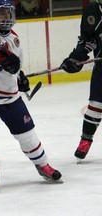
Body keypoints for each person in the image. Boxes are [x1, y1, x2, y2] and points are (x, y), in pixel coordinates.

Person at [0, 0, 62, 192]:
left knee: (27, 135)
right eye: (1, 13)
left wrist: (19, 80)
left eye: (8, 13)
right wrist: (2, 58)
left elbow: (14, 68)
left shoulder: (15, 41)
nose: (6, 17)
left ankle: (43, 164)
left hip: (6, 95)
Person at [60, 0, 102, 161]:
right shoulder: (93, 10)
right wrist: (76, 57)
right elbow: (88, 40)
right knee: (96, 105)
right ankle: (85, 140)